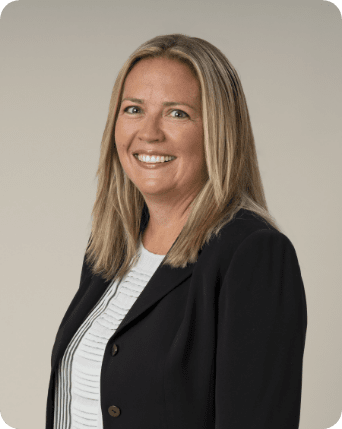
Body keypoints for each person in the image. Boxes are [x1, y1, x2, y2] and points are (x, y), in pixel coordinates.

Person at [46, 33, 307, 429]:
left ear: (218, 131)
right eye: (133, 109)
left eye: (177, 113)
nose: (149, 133)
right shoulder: (111, 249)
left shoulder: (253, 254)